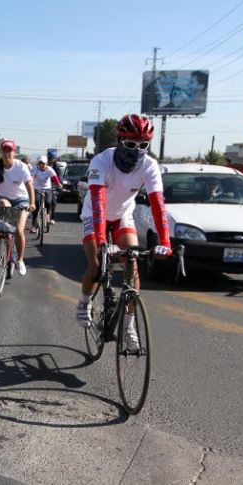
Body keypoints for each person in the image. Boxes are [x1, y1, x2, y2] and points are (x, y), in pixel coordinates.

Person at [75, 114, 172, 351]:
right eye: (130, 144)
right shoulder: (101, 161)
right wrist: (101, 240)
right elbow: (98, 202)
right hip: (94, 214)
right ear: (119, 141)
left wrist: (165, 241)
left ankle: (129, 327)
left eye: (142, 145)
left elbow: (158, 205)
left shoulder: (149, 166)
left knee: (132, 263)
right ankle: (84, 301)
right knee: (96, 264)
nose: (137, 150)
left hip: (122, 216)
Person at [0, 139, 36, 275]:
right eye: (4, 151)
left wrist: (32, 203)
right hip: (3, 198)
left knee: (18, 230)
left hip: (21, 200)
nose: (7, 154)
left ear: (14, 152)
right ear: (1, 152)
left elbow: (29, 185)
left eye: (9, 151)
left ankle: (20, 259)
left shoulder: (20, 166)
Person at [30, 155, 62, 233]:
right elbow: (32, 178)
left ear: (46, 163)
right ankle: (34, 225)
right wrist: (31, 183)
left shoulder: (49, 170)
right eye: (40, 163)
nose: (41, 165)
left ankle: (47, 215)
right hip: (37, 189)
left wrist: (59, 185)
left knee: (48, 202)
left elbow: (55, 178)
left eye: (43, 163)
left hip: (47, 189)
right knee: (36, 204)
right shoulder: (34, 169)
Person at [46, 151, 63, 225]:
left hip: (52, 185)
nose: (51, 160)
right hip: (42, 185)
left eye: (52, 158)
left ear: (55, 159)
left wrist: (60, 185)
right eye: (49, 158)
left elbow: (59, 177)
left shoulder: (57, 167)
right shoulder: (43, 165)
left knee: (53, 201)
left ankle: (52, 217)